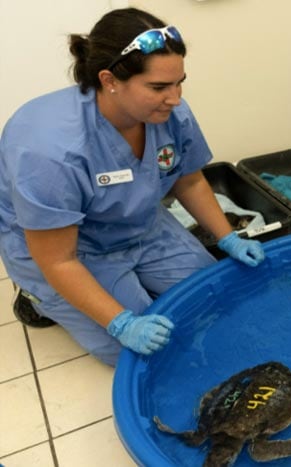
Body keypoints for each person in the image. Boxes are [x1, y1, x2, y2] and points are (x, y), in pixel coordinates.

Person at [0, 8, 265, 366]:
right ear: (109, 80)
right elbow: (59, 259)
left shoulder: (171, 113)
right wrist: (123, 323)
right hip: (68, 247)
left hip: (139, 223)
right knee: (142, 352)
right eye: (158, 87)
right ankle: (36, 297)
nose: (175, 97)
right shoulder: (50, 150)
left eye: (179, 82)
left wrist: (227, 237)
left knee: (214, 304)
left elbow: (188, 179)